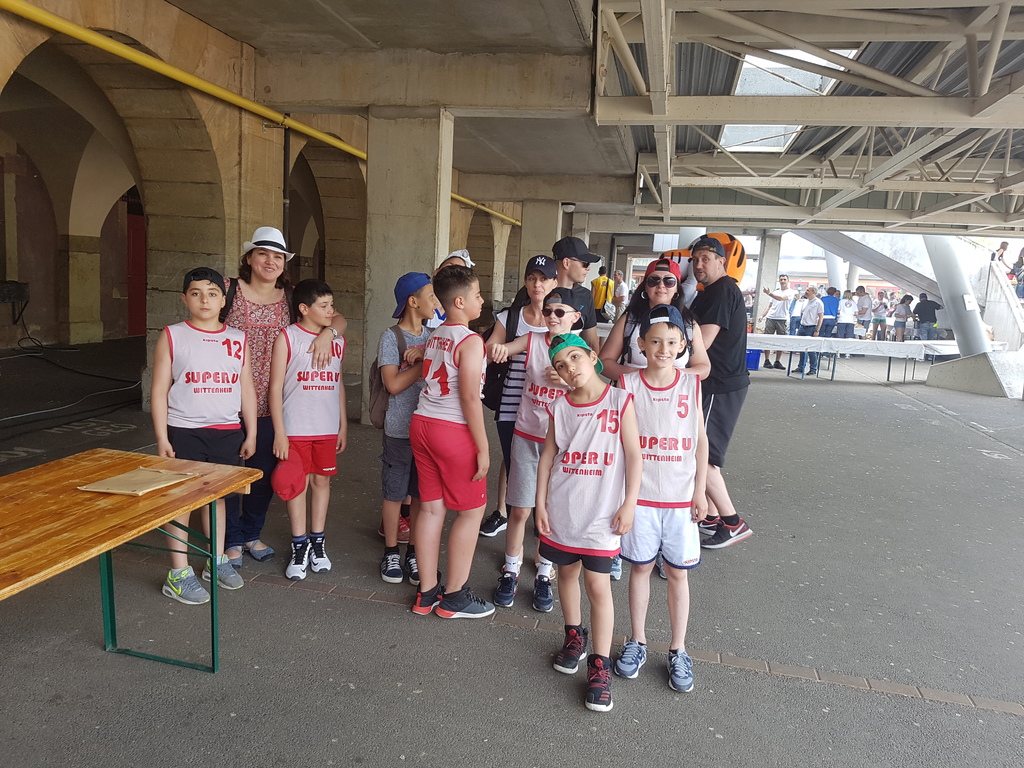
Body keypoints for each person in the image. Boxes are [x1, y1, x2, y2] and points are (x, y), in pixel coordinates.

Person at [223, 227, 346, 568]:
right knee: (228, 473)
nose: (270, 261)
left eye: (277, 256)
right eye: (263, 254)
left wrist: (328, 334)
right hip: (229, 398)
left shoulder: (290, 296)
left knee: (263, 474)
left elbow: (337, 317)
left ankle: (251, 533)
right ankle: (231, 539)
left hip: (274, 406)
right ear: (249, 257)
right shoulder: (229, 289)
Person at [536, 333, 642, 712]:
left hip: (601, 515)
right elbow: (547, 457)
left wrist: (630, 503)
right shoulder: (560, 407)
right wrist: (540, 505)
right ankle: (573, 635)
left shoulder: (619, 400)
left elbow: (634, 456)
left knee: (598, 586)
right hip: (563, 508)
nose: (569, 369)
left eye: (574, 358)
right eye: (560, 365)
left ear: (593, 357)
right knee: (565, 575)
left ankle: (600, 665)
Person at [615, 305, 708, 692]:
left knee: (677, 573)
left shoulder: (691, 384)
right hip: (641, 498)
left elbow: (701, 440)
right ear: (641, 344)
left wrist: (700, 489)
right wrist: (623, 499)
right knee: (639, 569)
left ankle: (678, 648)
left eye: (671, 342)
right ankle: (637, 640)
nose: (663, 349)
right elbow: (620, 444)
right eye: (655, 342)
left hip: (680, 497)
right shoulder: (628, 384)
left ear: (683, 345)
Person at [151, 267, 256, 604]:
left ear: (223, 300)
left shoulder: (238, 338)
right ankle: (178, 573)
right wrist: (162, 438)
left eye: (212, 293)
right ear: (185, 299)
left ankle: (216, 559)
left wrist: (251, 432)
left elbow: (247, 388)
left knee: (219, 498)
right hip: (184, 430)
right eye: (196, 293)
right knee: (180, 500)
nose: (204, 300)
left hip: (227, 431)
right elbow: (159, 391)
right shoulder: (172, 335)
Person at [486, 287, 580, 612]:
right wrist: (498, 349)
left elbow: (592, 388)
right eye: (548, 311)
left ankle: (543, 572)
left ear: (575, 317)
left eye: (560, 312)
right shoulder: (533, 340)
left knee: (550, 512)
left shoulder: (580, 351)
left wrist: (568, 381)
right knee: (520, 509)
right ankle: (511, 569)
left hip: (560, 444)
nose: (552, 317)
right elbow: (503, 348)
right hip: (526, 436)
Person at [409, 265, 494, 619]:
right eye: (477, 295)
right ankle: (455, 596)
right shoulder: (470, 340)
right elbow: (470, 397)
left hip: (422, 422)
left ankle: (426, 592)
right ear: (459, 302)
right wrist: (484, 447)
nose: (482, 301)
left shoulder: (436, 335)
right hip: (452, 429)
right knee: (471, 512)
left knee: (431, 509)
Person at [268, 280, 347, 581]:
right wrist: (279, 432)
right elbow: (275, 388)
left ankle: (317, 541)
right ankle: (299, 544)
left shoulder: (337, 340)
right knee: (296, 485)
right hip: (295, 428)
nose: (331, 311)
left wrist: (342, 424)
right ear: (303, 308)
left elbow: (338, 383)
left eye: (331, 305)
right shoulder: (288, 337)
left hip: (326, 427)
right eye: (323, 306)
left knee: (322, 482)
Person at [478, 255, 558, 538]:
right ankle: (515, 540)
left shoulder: (563, 319)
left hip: (551, 410)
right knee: (518, 469)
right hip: (512, 407)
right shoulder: (510, 318)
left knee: (553, 472)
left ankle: (544, 535)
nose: (538, 285)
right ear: (525, 281)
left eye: (544, 279)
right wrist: (497, 350)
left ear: (554, 282)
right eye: (532, 278)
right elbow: (489, 351)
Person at [689, 237, 753, 549]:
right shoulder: (711, 291)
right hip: (720, 383)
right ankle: (712, 516)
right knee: (707, 451)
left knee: (703, 455)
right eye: (695, 260)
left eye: (705, 258)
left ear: (721, 262)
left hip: (719, 383)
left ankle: (732, 522)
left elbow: (702, 342)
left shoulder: (721, 290)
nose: (699, 265)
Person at [376, 273, 435, 585]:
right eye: (431, 296)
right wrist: (421, 365)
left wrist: (427, 355)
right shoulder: (391, 338)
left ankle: (413, 551)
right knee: (395, 492)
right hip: (399, 428)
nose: (436, 302)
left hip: (428, 430)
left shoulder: (434, 337)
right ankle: (390, 552)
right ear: (413, 302)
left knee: (421, 493)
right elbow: (393, 384)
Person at [598, 258, 711, 384]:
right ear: (645, 287)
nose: (661, 285)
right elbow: (604, 362)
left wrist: (671, 376)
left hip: (674, 395)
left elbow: (703, 367)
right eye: (654, 280)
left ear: (677, 288)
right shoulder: (629, 321)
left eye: (669, 281)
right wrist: (643, 375)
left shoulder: (689, 324)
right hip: (631, 394)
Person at [551, 236, 602, 351]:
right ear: (566, 262)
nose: (588, 268)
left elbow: (591, 342)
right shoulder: (538, 291)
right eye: (585, 263)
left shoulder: (585, 295)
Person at [426, 250, 475, 330]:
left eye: (458, 271)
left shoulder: (459, 312)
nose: (452, 273)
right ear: (436, 271)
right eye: (449, 266)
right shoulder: (423, 301)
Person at [758, 274, 796, 369]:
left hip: (782, 319)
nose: (782, 281)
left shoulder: (791, 292)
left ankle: (777, 361)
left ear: (788, 281)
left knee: (781, 340)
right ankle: (767, 360)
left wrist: (769, 293)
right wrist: (762, 315)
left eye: (784, 279)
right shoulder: (776, 292)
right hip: (771, 318)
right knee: (767, 339)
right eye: (781, 279)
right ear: (779, 281)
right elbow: (769, 306)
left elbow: (781, 298)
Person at [795, 286, 825, 376]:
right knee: (801, 348)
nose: (806, 291)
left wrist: (817, 330)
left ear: (813, 292)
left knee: (811, 350)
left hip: (811, 327)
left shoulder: (818, 303)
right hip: (802, 326)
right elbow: (802, 313)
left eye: (808, 290)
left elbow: (821, 317)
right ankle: (801, 367)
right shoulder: (805, 301)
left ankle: (813, 368)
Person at [836, 289, 858, 356]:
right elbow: (856, 313)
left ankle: (838, 353)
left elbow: (838, 311)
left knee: (840, 337)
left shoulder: (841, 301)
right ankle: (847, 353)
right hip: (850, 320)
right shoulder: (853, 302)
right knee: (849, 337)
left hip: (842, 320)